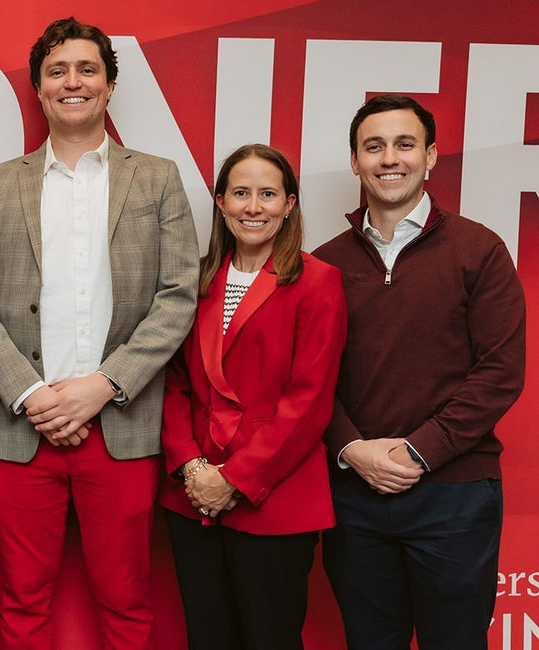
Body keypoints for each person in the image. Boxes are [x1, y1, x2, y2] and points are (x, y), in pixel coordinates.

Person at [0, 17, 198, 649]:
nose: (73, 82)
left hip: (119, 424)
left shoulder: (158, 177)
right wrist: (31, 395)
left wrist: (104, 386)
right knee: (23, 602)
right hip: (19, 427)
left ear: (110, 85)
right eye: (57, 71)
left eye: (87, 69)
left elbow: (177, 297)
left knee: (126, 603)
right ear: (38, 89)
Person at [314, 94, 525, 650]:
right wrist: (349, 449)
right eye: (374, 146)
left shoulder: (479, 250)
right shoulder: (323, 264)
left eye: (405, 144)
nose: (390, 158)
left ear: (430, 156)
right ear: (355, 161)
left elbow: (500, 372)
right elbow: (307, 379)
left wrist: (418, 451)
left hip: (454, 493)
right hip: (353, 494)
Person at [160, 143, 346, 650]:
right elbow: (171, 383)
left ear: (289, 204)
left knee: (270, 638)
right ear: (220, 202)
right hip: (193, 495)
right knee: (208, 637)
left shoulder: (318, 282)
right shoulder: (194, 280)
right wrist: (194, 470)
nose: (253, 206)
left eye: (268, 194)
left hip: (275, 497)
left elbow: (309, 401)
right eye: (240, 193)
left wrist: (236, 479)